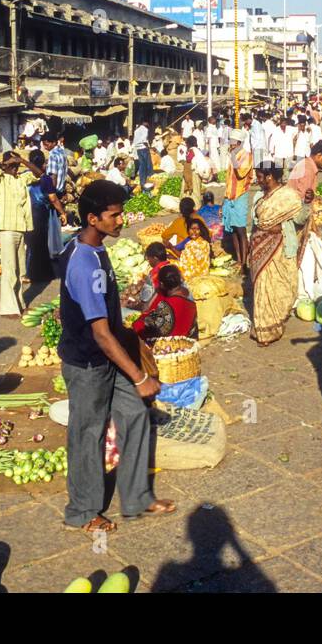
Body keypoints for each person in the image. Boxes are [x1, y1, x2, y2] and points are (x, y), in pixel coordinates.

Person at [57, 179, 175, 533]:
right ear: (93, 218)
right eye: (114, 215)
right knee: (87, 433)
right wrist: (139, 377)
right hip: (89, 362)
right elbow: (101, 334)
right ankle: (82, 511)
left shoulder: (94, 248)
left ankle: (137, 495)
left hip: (110, 355)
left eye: (121, 213)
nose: (121, 220)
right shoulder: (83, 264)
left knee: (136, 414)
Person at [249, 163, 304, 345]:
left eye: (259, 176)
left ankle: (275, 322)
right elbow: (258, 221)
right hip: (260, 248)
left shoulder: (288, 196)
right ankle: (264, 331)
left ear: (269, 177)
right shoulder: (259, 196)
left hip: (280, 248)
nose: (257, 179)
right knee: (262, 289)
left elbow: (300, 219)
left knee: (280, 287)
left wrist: (308, 204)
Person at [0, 151, 37, 316]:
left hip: (20, 227)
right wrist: (6, 164)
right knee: (9, 269)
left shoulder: (22, 178)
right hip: (7, 229)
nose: (16, 168)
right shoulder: (0, 179)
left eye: (17, 166)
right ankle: (8, 308)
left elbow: (39, 174)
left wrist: (22, 159)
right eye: (13, 166)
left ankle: (20, 303)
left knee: (19, 270)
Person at [27, 151, 68, 284]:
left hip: (26, 213)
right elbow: (53, 198)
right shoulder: (45, 179)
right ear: (42, 164)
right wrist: (62, 212)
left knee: (32, 244)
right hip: (40, 213)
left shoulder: (24, 177)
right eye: (45, 163)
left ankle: (31, 272)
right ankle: (40, 274)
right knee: (40, 243)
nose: (46, 165)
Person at [132, 264, 197, 342]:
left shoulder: (167, 305)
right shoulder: (190, 293)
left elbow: (149, 325)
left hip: (172, 343)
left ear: (162, 284)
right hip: (188, 336)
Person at [223, 130, 255, 273]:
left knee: (241, 230)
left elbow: (240, 173)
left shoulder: (247, 156)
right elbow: (228, 179)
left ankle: (244, 263)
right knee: (233, 231)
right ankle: (238, 259)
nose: (230, 144)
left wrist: (233, 157)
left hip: (240, 196)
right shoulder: (233, 156)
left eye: (233, 142)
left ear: (239, 143)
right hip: (230, 196)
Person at [178, 218, 213, 283]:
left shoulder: (195, 244)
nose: (194, 232)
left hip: (194, 274)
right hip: (201, 273)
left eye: (197, 229)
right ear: (188, 230)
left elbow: (187, 262)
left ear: (201, 231)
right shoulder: (201, 242)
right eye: (192, 229)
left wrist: (171, 248)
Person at [133, 119, 153, 189]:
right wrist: (148, 147)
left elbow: (135, 141)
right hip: (143, 148)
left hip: (138, 148)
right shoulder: (145, 129)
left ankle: (142, 182)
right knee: (147, 164)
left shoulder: (136, 130)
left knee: (142, 165)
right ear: (145, 123)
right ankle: (149, 177)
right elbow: (144, 140)